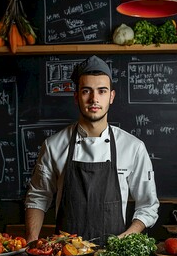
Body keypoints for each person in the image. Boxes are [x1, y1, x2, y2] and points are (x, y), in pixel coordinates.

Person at [25, 55, 159, 244]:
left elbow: (148, 206)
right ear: (76, 97)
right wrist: (32, 242)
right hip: (65, 255)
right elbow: (38, 197)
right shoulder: (53, 145)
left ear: (111, 96)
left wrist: (123, 240)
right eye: (86, 91)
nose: (94, 99)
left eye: (102, 91)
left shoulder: (133, 147)